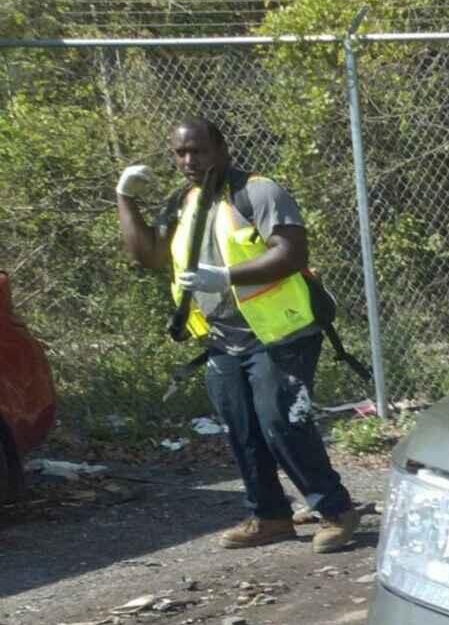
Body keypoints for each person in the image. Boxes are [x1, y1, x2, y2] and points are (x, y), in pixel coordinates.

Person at [115, 117, 360, 552]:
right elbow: (149, 255)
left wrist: (225, 276)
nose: (189, 160)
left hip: (280, 332)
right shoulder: (184, 202)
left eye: (199, 151)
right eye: (180, 153)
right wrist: (125, 198)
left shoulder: (259, 192)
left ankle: (337, 511)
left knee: (281, 423)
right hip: (221, 337)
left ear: (222, 149)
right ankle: (269, 516)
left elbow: (291, 252)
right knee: (242, 429)